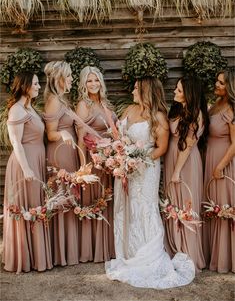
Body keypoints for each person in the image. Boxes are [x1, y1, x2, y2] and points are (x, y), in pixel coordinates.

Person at [105, 77, 195, 288]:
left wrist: (139, 161)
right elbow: (119, 135)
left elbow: (161, 149)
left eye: (136, 88)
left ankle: (146, 254)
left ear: (146, 91)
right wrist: (121, 156)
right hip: (126, 169)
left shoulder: (158, 117)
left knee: (144, 208)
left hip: (146, 170)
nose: (133, 91)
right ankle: (128, 252)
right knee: (125, 208)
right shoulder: (128, 109)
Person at [2, 72, 53, 273]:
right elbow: (16, 143)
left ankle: (37, 257)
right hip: (25, 165)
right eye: (35, 83)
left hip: (36, 161)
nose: (39, 86)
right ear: (24, 86)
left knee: (36, 206)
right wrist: (26, 169)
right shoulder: (16, 110)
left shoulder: (28, 107)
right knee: (27, 207)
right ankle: (24, 258)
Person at [163, 76, 209, 274]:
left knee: (186, 205)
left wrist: (176, 171)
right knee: (173, 203)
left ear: (189, 94)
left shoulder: (197, 114)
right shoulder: (176, 109)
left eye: (179, 90)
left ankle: (188, 252)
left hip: (186, 163)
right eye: (176, 88)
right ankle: (174, 249)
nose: (175, 92)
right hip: (172, 158)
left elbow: (188, 147)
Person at [76, 66, 116, 262]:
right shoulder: (83, 105)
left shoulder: (106, 103)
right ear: (84, 84)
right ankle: (92, 249)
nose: (93, 84)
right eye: (89, 81)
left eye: (96, 80)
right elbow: (81, 136)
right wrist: (83, 166)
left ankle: (107, 247)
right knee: (93, 200)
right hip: (93, 161)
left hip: (109, 162)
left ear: (101, 82)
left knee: (106, 199)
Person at [43, 61, 80, 267]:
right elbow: (50, 134)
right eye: (69, 76)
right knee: (62, 194)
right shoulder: (53, 101)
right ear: (59, 79)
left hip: (69, 151)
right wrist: (64, 132)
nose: (72, 79)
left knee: (69, 194)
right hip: (59, 152)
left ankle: (70, 248)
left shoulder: (61, 99)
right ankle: (61, 250)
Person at [203, 68, 235, 273]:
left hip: (223, 161)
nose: (217, 84)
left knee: (223, 207)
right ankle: (212, 254)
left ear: (230, 87)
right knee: (211, 205)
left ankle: (226, 259)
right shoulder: (215, 105)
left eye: (222, 83)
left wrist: (220, 166)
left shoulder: (232, 109)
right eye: (217, 81)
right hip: (210, 157)